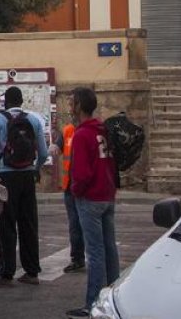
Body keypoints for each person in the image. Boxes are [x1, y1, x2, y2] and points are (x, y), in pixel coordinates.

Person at [0, 86, 48, 286]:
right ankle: (32, 271)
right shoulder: (34, 120)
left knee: (7, 223)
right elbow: (44, 153)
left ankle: (7, 271)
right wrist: (35, 167)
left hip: (6, 175)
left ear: (6, 102)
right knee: (29, 223)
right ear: (22, 102)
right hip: (28, 174)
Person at [66, 87, 119, 317]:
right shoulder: (102, 130)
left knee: (95, 253)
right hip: (107, 193)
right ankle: (114, 296)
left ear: (78, 105)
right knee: (109, 248)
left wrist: (76, 190)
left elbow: (82, 172)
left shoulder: (81, 134)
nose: (69, 107)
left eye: (71, 103)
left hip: (90, 197)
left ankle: (93, 302)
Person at [59, 120, 85, 274]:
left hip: (84, 187)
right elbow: (59, 145)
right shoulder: (68, 130)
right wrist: (55, 147)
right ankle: (77, 258)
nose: (70, 110)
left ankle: (90, 258)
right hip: (70, 186)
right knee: (74, 225)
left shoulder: (89, 131)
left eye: (72, 105)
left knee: (86, 226)